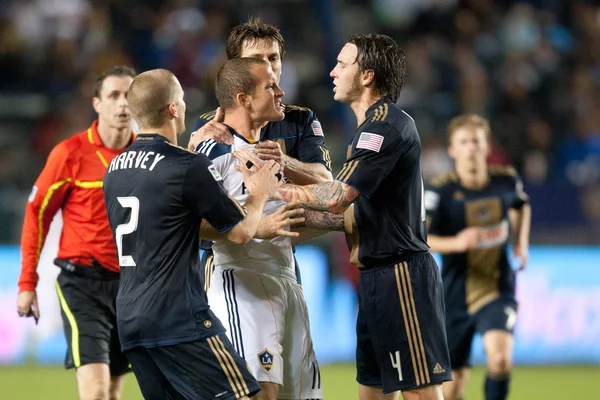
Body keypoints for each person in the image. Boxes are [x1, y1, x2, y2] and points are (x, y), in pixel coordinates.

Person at [269, 34, 453, 400]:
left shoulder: (383, 127)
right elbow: (350, 216)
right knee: (370, 391)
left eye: (342, 63)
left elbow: (337, 197)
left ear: (366, 75)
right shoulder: (371, 128)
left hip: (400, 277)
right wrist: (277, 220)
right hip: (375, 278)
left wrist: (270, 190)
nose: (333, 71)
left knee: (419, 393)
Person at [103, 68, 286, 400]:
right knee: (247, 396)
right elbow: (242, 232)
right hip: (178, 317)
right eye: (183, 100)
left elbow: (165, 215)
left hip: (130, 320)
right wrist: (259, 193)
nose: (186, 106)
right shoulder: (186, 166)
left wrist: (192, 149)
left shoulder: (114, 169)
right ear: (173, 108)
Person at [196, 57, 334, 400]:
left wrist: (340, 219)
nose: (281, 91)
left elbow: (327, 198)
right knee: (261, 393)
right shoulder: (212, 151)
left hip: (287, 279)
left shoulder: (268, 152)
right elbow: (190, 222)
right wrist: (257, 226)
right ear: (243, 98)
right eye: (270, 85)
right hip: (242, 282)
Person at [17, 65, 136, 400]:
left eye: (129, 95)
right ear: (97, 103)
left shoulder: (145, 155)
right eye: (114, 95)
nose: (123, 103)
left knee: (112, 391)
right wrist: (27, 283)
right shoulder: (69, 153)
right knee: (96, 392)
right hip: (82, 283)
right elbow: (37, 214)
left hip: (130, 287)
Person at [187, 17, 332, 289]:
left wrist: (284, 163)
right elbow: (191, 210)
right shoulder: (210, 128)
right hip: (225, 263)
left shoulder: (300, 120)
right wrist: (190, 150)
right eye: (258, 59)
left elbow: (327, 186)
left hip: (280, 257)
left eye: (274, 58)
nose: (270, 68)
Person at [424, 114, 531, 400]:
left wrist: (521, 243)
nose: (471, 148)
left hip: (497, 288)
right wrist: (457, 242)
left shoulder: (506, 180)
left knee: (499, 360)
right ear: (452, 150)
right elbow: (422, 240)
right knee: (454, 385)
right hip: (454, 293)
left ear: (486, 148)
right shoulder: (440, 191)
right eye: (464, 142)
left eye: (476, 141)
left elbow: (522, 206)